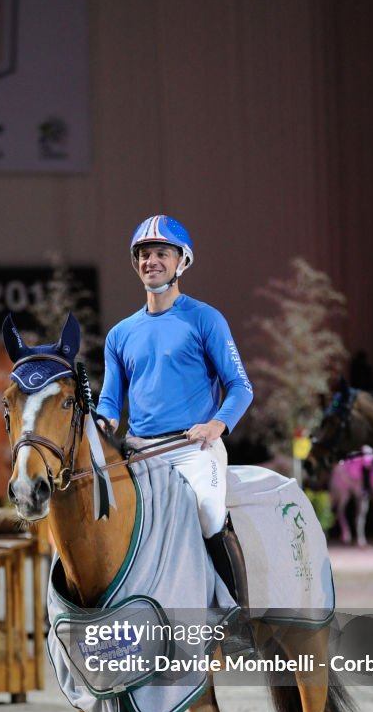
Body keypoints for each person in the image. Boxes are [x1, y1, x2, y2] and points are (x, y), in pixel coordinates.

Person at [96, 214, 254, 605]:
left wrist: (217, 425)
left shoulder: (205, 319)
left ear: (182, 261)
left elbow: (241, 386)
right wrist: (103, 421)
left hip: (192, 448)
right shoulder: (119, 334)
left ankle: (236, 613)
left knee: (209, 514)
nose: (152, 261)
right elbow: (111, 400)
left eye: (161, 253)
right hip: (138, 450)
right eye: (145, 254)